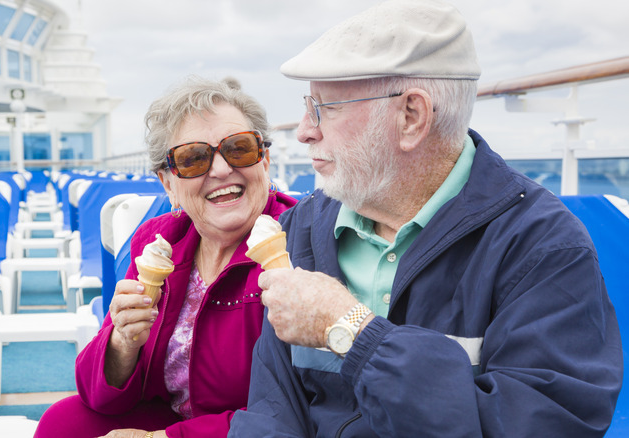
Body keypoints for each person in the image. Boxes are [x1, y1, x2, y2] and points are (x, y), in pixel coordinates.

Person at [228, 0, 623, 436]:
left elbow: (541, 425)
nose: (303, 130)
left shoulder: (544, 248)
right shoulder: (302, 227)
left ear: (411, 116)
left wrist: (351, 330)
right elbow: (272, 408)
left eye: (324, 108)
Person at [34, 77, 296, 438]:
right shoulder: (159, 241)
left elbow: (300, 407)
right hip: (172, 416)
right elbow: (98, 397)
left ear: (264, 161)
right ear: (167, 183)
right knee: (63, 423)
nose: (221, 170)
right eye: (193, 158)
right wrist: (122, 343)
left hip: (251, 429)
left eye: (239, 148)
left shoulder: (297, 242)